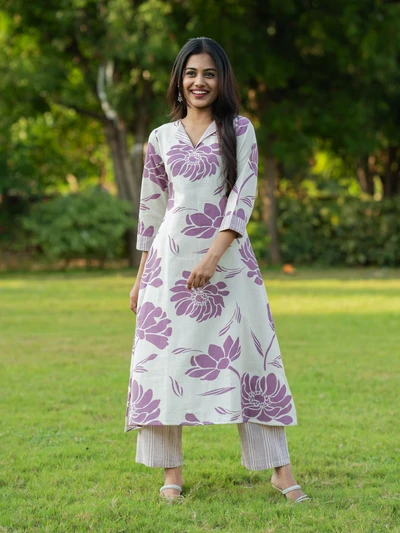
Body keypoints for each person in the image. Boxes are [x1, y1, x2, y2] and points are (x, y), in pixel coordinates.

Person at [126, 37, 310, 505]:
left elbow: (243, 197)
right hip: (168, 268)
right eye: (191, 73)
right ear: (179, 80)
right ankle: (171, 474)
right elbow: (151, 211)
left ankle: (281, 471)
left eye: (209, 73)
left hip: (229, 267)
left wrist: (212, 257)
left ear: (222, 79)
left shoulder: (239, 129)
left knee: (254, 360)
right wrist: (140, 278)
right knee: (165, 363)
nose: (199, 82)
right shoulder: (160, 137)